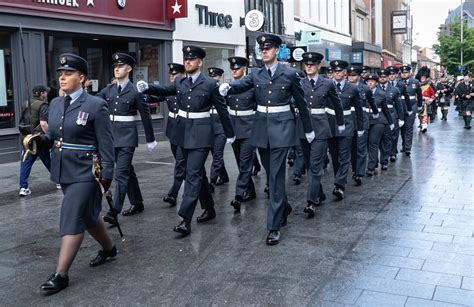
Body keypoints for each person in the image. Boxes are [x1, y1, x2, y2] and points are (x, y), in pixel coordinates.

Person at [26, 53, 116, 294]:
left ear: (82, 77)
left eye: (68, 73)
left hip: (87, 171)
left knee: (72, 214)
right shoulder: (55, 103)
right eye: (60, 74)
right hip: (64, 169)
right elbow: (56, 136)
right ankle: (109, 248)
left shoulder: (96, 105)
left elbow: (107, 144)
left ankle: (61, 274)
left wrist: (107, 175)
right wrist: (41, 140)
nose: (62, 77)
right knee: (88, 216)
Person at [219, 34, 314, 245]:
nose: (264, 51)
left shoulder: (289, 74)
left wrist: (308, 129)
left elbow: (301, 102)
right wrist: (228, 88)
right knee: (271, 174)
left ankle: (274, 226)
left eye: (269, 48)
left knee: (276, 178)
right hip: (262, 129)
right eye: (262, 49)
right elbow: (242, 86)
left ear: (277, 51)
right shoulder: (256, 74)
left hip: (282, 129)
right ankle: (284, 207)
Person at [137, 45, 235, 236]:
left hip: (201, 135)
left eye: (192, 59)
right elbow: (166, 89)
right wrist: (148, 86)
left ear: (200, 62)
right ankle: (209, 208)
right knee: (198, 174)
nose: (188, 62)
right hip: (183, 133)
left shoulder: (209, 84)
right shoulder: (181, 81)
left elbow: (222, 111)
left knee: (192, 174)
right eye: (186, 59)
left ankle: (185, 219)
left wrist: (229, 133)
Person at [97, 53, 157, 225]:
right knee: (127, 171)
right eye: (115, 66)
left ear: (129, 69)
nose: (116, 68)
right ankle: (137, 202)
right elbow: (93, 102)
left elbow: (146, 116)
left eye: (121, 66)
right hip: (111, 137)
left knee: (121, 173)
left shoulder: (136, 92)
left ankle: (114, 211)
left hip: (127, 138)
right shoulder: (109, 89)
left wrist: (150, 139)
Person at [297, 52, 343, 217]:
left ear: (318, 66)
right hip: (303, 127)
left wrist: (340, 122)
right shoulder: (299, 82)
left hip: (321, 128)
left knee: (316, 166)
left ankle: (311, 202)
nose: (309, 66)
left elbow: (337, 104)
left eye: (312, 64)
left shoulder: (327, 83)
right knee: (309, 164)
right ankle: (320, 193)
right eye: (306, 64)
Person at [327, 60, 363, 200]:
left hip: (347, 125)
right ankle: (339, 178)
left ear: (345, 73)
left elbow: (359, 110)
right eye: (334, 71)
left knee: (344, 156)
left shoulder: (352, 88)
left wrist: (360, 127)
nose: (336, 73)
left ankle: (339, 185)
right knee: (334, 155)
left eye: (339, 71)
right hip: (331, 125)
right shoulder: (327, 85)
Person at [226, 57, 257, 212]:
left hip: (249, 129)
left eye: (237, 68)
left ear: (244, 69)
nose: (234, 71)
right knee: (240, 163)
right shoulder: (228, 87)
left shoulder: (251, 86)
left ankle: (238, 196)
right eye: (232, 68)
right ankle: (250, 191)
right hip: (234, 129)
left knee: (245, 163)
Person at [347, 66, 379, 186]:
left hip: (362, 120)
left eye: (354, 75)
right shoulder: (344, 87)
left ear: (359, 76)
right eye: (349, 75)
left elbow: (372, 102)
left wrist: (375, 112)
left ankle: (359, 173)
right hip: (348, 120)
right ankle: (355, 168)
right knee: (351, 148)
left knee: (361, 148)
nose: (351, 77)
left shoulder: (365, 88)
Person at [19, 85, 51, 196]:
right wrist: (50, 135)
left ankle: (23, 187)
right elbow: (43, 123)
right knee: (49, 160)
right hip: (39, 138)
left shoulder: (25, 103)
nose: (46, 94)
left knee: (25, 162)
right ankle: (60, 182)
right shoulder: (43, 105)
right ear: (41, 93)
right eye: (45, 92)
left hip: (27, 138)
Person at [162, 63, 186, 207]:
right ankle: (205, 186)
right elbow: (155, 96)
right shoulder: (169, 90)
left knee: (180, 162)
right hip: (172, 130)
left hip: (185, 129)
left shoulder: (187, 88)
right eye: (171, 74)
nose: (172, 77)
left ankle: (173, 193)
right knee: (186, 165)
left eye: (175, 74)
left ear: (182, 74)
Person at [366, 74, 394, 176]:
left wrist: (390, 122)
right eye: (368, 81)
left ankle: (371, 167)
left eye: (372, 81)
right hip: (366, 119)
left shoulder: (381, 94)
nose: (369, 83)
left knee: (373, 143)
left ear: (376, 83)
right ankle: (374, 161)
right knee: (367, 144)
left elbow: (385, 109)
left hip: (379, 121)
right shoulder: (362, 92)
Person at [207, 67, 230, 191]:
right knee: (215, 154)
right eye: (211, 76)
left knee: (217, 154)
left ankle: (212, 179)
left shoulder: (223, 91)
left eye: (215, 76)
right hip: (208, 127)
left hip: (220, 127)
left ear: (219, 77)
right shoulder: (206, 89)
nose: (213, 78)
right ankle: (224, 176)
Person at [378, 68, 404, 170]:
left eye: (384, 77)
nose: (382, 78)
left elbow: (399, 105)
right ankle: (380, 158)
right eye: (381, 77)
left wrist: (401, 118)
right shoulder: (375, 88)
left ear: (388, 77)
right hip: (380, 115)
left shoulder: (394, 90)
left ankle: (391, 154)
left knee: (391, 136)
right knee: (379, 138)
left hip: (392, 114)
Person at [386, 66, 412, 162]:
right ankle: (390, 151)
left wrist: (409, 109)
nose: (391, 76)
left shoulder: (401, 85)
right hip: (388, 110)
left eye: (393, 74)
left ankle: (394, 152)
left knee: (396, 132)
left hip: (399, 110)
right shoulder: (385, 85)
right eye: (390, 74)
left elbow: (406, 96)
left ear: (397, 75)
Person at [399, 65, 423, 156]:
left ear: (409, 73)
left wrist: (419, 106)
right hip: (401, 106)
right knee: (402, 127)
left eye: (406, 73)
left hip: (412, 106)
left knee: (409, 127)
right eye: (402, 73)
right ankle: (404, 145)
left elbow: (419, 95)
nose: (404, 74)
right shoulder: (398, 82)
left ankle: (408, 147)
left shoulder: (415, 82)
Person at [415, 66, 436, 133]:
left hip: (427, 103)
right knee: (420, 115)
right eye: (422, 77)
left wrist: (430, 100)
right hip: (419, 102)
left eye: (424, 77)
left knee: (425, 115)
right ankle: (421, 124)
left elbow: (433, 94)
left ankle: (424, 126)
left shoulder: (429, 85)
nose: (423, 79)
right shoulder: (416, 85)